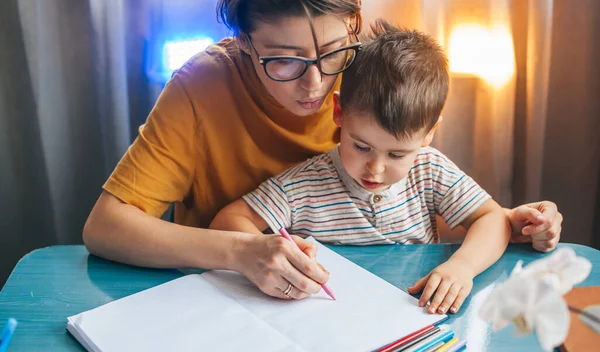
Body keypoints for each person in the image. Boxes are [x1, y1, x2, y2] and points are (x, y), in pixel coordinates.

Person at [83, 0, 562, 305]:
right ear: (245, 42)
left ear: (354, 24)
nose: (314, 85)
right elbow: (106, 227)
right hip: (228, 303)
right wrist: (240, 250)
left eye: (333, 50)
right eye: (285, 60)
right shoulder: (202, 87)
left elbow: (432, 202)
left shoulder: (367, 76)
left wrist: (507, 223)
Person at [210, 21, 510, 314]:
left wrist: (463, 266)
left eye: (396, 154)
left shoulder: (429, 169)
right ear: (339, 112)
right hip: (326, 318)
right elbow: (229, 220)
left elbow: (493, 219)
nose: (375, 170)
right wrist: (269, 251)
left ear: (429, 132)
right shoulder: (303, 185)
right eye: (361, 147)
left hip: (414, 320)